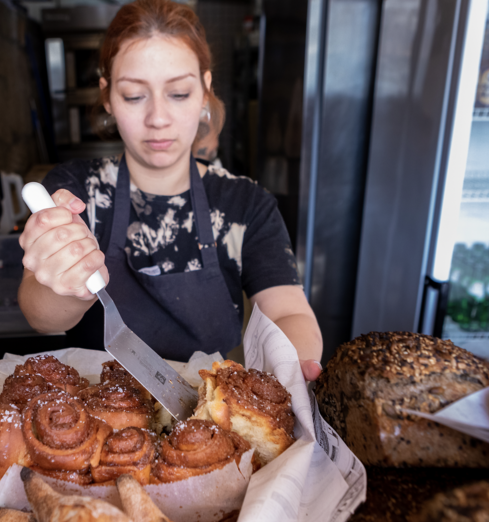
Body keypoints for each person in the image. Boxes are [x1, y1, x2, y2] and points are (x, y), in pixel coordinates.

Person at [18, 0, 323, 381]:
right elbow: (40, 316)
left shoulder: (245, 204)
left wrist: (290, 371)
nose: (158, 119)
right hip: (94, 413)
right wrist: (67, 280)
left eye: (178, 93)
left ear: (204, 91)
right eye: (134, 96)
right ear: (108, 96)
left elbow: (287, 312)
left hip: (207, 412)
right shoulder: (77, 193)